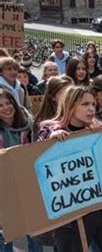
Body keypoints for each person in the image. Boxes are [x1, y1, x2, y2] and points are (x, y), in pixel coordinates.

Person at [36, 85, 102, 252]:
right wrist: (50, 140)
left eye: (93, 105)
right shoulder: (49, 129)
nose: (91, 109)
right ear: (70, 105)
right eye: (85, 104)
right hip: (70, 216)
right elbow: (36, 161)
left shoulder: (97, 128)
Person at [0, 88, 35, 252]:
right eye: (0, 106)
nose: (6, 108)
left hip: (29, 183)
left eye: (8, 103)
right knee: (5, 233)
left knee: (34, 229)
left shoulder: (29, 125)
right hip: (4, 187)